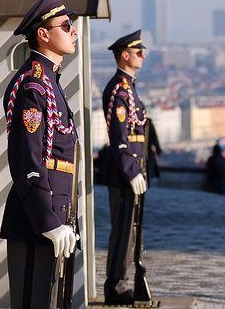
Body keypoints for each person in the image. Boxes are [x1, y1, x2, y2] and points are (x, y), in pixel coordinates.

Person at [0, 0, 79, 308]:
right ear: (43, 34)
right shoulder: (33, 85)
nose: (72, 31)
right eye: (65, 26)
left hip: (55, 212)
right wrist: (47, 221)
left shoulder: (49, 81)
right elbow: (28, 159)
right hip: (38, 218)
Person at [101, 29, 149, 305]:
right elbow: (119, 137)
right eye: (138, 51)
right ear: (124, 55)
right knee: (122, 227)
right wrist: (131, 171)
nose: (142, 55)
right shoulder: (119, 89)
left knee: (131, 228)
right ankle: (114, 285)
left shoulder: (129, 87)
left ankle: (121, 279)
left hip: (132, 168)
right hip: (122, 172)